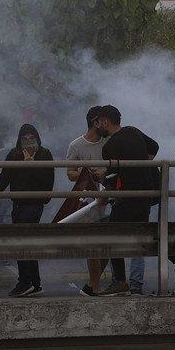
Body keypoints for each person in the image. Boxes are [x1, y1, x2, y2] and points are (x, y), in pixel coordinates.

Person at [99, 105, 175, 295]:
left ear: (105, 121)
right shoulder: (133, 131)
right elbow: (154, 146)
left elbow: (112, 175)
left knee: (112, 233)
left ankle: (120, 281)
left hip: (128, 196)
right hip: (147, 193)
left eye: (99, 122)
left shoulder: (109, 147)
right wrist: (143, 165)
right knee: (144, 234)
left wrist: (101, 175)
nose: (98, 126)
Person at [0, 124, 54, 297]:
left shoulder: (44, 154)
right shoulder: (14, 154)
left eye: (32, 138)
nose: (28, 142)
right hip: (18, 204)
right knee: (26, 242)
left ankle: (25, 281)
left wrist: (32, 165)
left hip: (34, 205)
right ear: (20, 140)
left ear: (37, 139)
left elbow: (48, 182)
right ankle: (34, 283)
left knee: (22, 241)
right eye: (25, 139)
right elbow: (4, 177)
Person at [66, 106, 117, 296]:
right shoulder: (76, 145)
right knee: (93, 244)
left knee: (109, 243)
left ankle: (93, 283)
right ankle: (94, 285)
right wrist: (84, 172)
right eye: (103, 120)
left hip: (109, 197)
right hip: (88, 201)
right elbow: (70, 173)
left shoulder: (109, 142)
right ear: (96, 122)